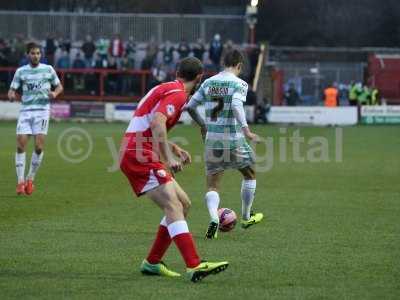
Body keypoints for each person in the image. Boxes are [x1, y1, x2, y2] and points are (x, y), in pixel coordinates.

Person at [119, 57, 228, 282]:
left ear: (178, 71)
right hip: (139, 153)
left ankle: (152, 262)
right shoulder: (178, 94)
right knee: (173, 205)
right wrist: (168, 157)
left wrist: (173, 147)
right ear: (199, 78)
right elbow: (157, 123)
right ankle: (194, 265)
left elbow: (148, 124)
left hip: (139, 148)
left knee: (184, 204)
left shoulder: (167, 88)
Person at [185, 49, 264, 239]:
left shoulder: (208, 82)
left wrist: (203, 125)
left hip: (212, 139)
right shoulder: (239, 83)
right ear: (239, 65)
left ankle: (214, 217)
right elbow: (236, 104)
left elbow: (190, 106)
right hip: (233, 138)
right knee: (250, 174)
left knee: (213, 185)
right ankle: (246, 216)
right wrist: (246, 130)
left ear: (222, 62)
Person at [8, 42, 63, 195]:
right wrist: (11, 95)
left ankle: (30, 179)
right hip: (26, 112)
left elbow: (59, 87)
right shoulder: (21, 71)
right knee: (20, 146)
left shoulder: (48, 69)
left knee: (38, 147)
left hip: (42, 112)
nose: (36, 56)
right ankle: (20, 182)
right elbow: (12, 90)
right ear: (28, 55)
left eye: (38, 53)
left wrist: (55, 93)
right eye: (33, 53)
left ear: (41, 54)